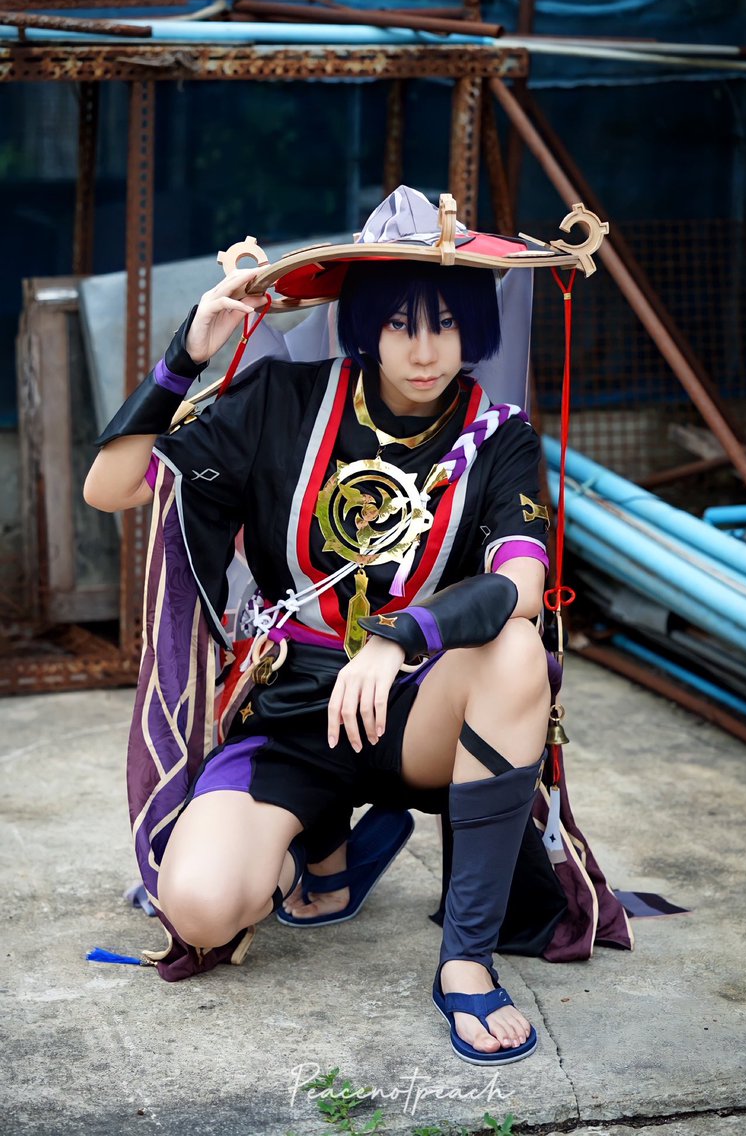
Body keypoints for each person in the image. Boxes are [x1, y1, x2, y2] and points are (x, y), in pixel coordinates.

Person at [84, 187, 561, 1065]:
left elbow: (521, 585)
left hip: (419, 703)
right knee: (201, 909)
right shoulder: (281, 398)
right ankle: (323, 844)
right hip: (292, 709)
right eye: (401, 323)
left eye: (447, 323)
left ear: (475, 326)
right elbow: (110, 489)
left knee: (515, 650)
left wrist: (398, 637)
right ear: (367, 321)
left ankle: (464, 962)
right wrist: (187, 353)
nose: (426, 350)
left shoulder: (499, 438)